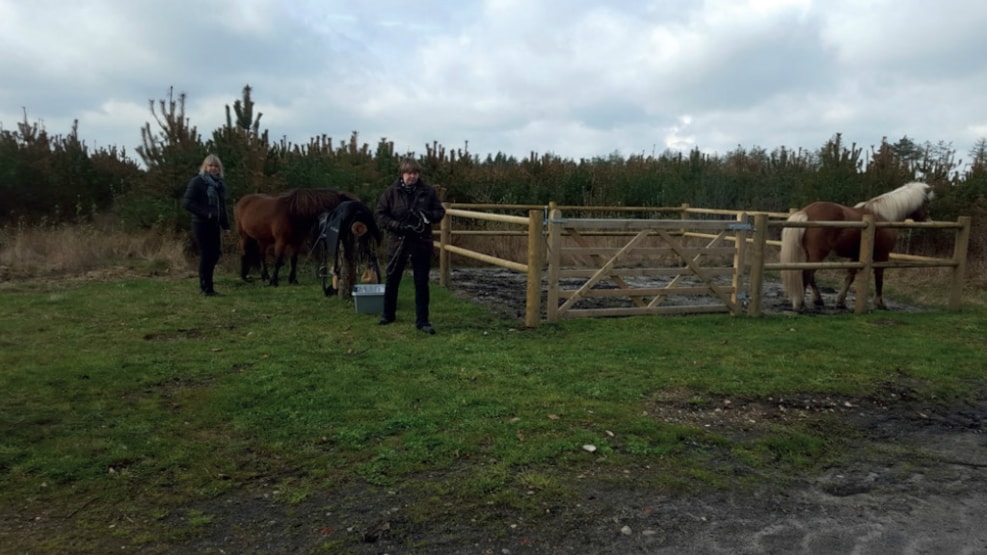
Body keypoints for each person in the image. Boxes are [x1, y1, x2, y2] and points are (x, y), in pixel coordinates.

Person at [375, 158, 446, 334]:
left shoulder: (428, 192)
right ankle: (388, 314)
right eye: (409, 173)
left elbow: (440, 212)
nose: (412, 176)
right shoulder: (391, 193)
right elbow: (380, 215)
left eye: (415, 173)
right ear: (402, 174)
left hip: (421, 242)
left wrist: (426, 216)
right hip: (397, 242)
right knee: (392, 279)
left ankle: (423, 321)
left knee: (421, 282)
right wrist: (396, 226)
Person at [182, 154, 231, 296]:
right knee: (207, 255)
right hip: (201, 224)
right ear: (205, 167)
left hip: (214, 225)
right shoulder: (197, 182)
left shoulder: (219, 185)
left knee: (215, 255)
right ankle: (206, 287)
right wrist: (206, 213)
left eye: (216, 166)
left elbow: (222, 208)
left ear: (219, 169)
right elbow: (188, 203)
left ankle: (208, 286)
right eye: (210, 165)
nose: (213, 168)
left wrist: (226, 226)